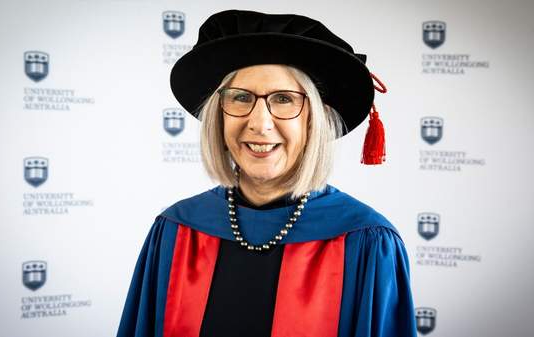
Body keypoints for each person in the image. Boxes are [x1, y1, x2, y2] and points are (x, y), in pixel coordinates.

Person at [117, 9, 417, 337]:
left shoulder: (366, 242)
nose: (259, 123)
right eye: (241, 97)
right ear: (218, 116)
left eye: (285, 99)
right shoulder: (176, 231)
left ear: (313, 121)